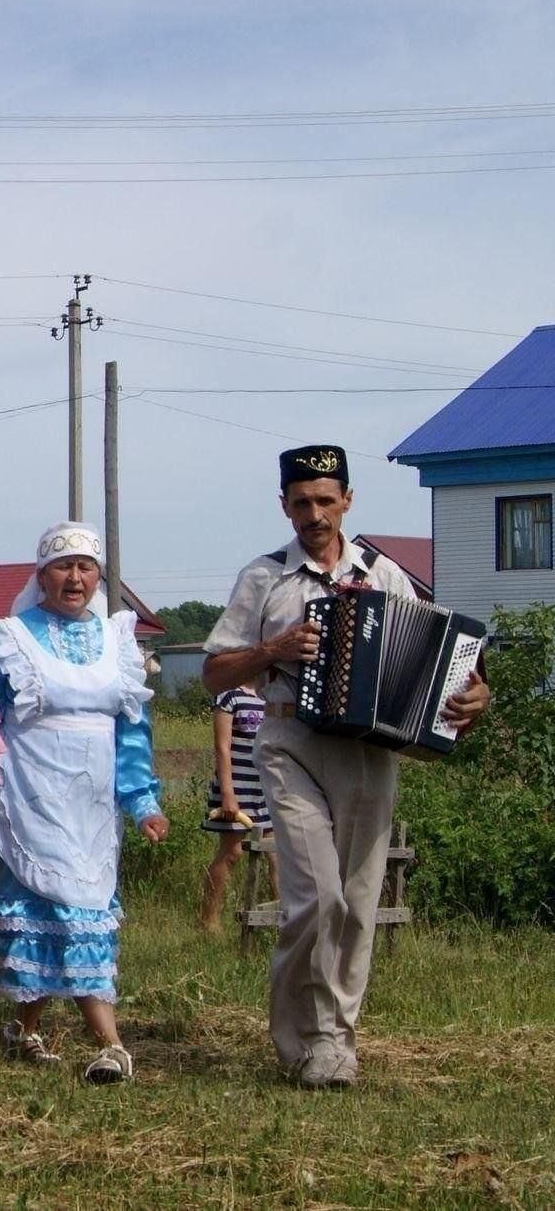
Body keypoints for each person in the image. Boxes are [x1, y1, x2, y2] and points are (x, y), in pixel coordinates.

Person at [204, 445, 490, 1089]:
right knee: (317, 895)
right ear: (284, 505)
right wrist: (273, 649)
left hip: (367, 750)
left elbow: (445, 659)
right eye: (301, 502)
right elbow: (214, 674)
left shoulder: (382, 574)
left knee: (359, 902)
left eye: (325, 500)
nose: (314, 514)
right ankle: (304, 1040)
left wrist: (475, 696)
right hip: (287, 740)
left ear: (348, 501)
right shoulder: (264, 578)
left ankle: (336, 1042)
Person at [0, 522, 166, 1085]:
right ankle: (110, 1044)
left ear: (98, 577)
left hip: (92, 801)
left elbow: (132, 731)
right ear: (41, 575)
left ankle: (23, 1028)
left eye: (85, 567)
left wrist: (143, 800)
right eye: (62, 566)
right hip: (27, 792)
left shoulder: (118, 641)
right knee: (50, 908)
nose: (74, 577)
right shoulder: (10, 637)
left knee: (80, 907)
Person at [198, 679, 270, 933]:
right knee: (232, 852)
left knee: (277, 854)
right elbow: (222, 747)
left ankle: (283, 923)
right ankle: (209, 921)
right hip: (236, 787)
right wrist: (228, 792)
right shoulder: (229, 697)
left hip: (267, 789)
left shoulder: (270, 695)